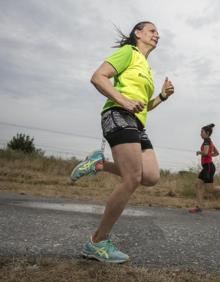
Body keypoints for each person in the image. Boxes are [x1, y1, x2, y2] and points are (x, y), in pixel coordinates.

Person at [71, 21, 174, 263]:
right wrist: (123, 100)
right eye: (151, 30)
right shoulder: (128, 53)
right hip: (117, 114)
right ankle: (96, 243)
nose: (156, 34)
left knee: (150, 176)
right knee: (132, 178)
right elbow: (98, 77)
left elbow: (144, 105)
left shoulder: (146, 68)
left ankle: (99, 164)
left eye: (158, 32)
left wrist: (161, 96)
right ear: (138, 34)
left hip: (136, 123)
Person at [188, 124, 220, 213]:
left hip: (208, 166)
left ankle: (198, 207)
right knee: (210, 189)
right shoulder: (210, 141)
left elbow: (205, 152)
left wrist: (199, 152)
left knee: (198, 185)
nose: (200, 134)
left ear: (207, 133)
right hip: (209, 166)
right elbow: (217, 153)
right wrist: (209, 155)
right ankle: (199, 206)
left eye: (202, 132)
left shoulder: (206, 141)